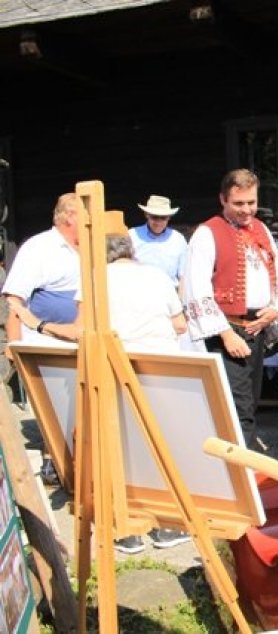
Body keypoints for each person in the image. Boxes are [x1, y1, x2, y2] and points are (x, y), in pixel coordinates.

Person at [16, 232, 190, 552]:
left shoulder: (95, 278)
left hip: (115, 367)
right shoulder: (157, 275)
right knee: (159, 448)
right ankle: (167, 524)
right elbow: (180, 325)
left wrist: (38, 325)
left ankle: (127, 529)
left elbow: (81, 331)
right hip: (160, 368)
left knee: (119, 450)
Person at [182, 169, 278, 448]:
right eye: (239, 204)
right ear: (223, 200)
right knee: (237, 405)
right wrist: (225, 334)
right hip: (228, 327)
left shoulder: (261, 229)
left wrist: (275, 309)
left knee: (250, 400)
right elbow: (196, 286)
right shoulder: (208, 234)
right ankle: (242, 469)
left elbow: (277, 271)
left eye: (251, 203)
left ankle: (242, 464)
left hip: (257, 326)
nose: (247, 210)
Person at [2, 192, 82, 485]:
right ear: (68, 216)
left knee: (78, 404)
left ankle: (75, 461)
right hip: (47, 340)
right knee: (56, 406)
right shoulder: (39, 248)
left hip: (81, 339)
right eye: (84, 214)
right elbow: (14, 299)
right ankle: (54, 461)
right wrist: (14, 343)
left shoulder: (88, 246)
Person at [128, 195, 188, 288]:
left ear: (169, 217)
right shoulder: (132, 235)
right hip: (139, 291)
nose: (158, 222)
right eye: (155, 217)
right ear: (146, 214)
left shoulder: (178, 239)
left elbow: (183, 275)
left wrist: (180, 300)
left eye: (163, 217)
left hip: (169, 293)